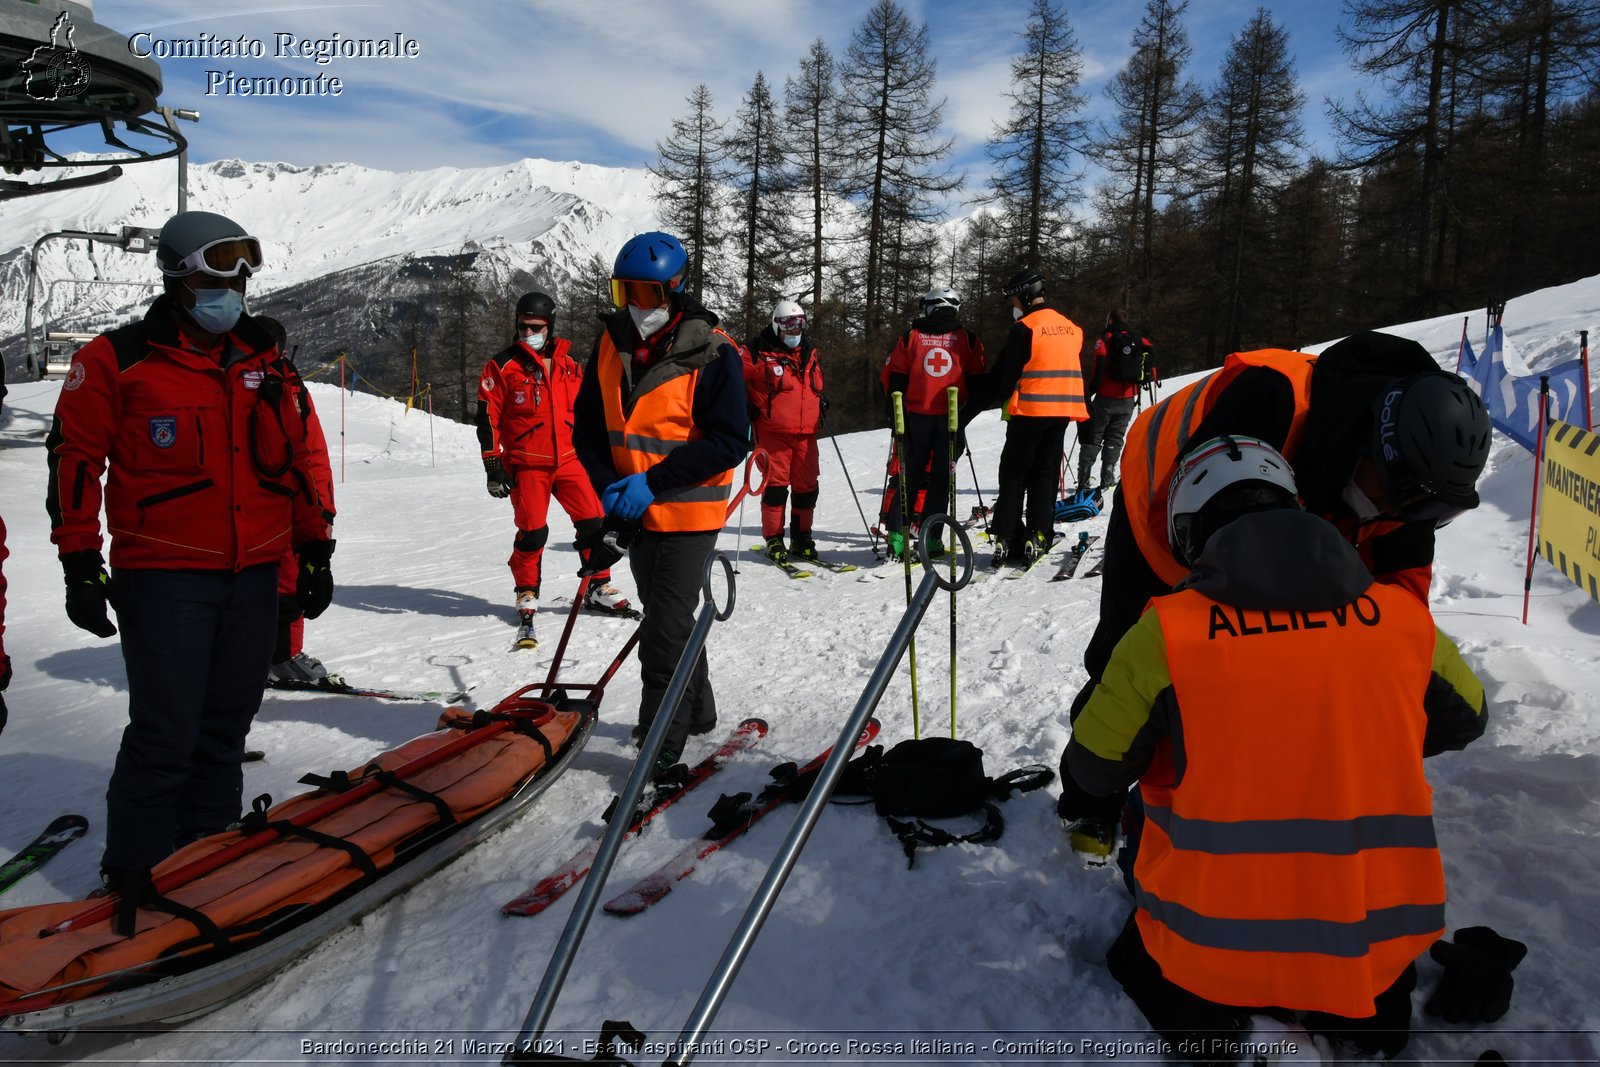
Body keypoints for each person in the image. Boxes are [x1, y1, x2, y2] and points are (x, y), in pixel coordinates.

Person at [1057, 435, 1488, 1062]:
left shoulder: (1168, 635)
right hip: (1371, 960)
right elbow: (1465, 720)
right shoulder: (1400, 617)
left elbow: (1092, 771)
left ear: (1189, 533)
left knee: (1139, 934)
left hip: (1208, 958)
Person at [45, 210, 336, 899]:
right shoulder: (117, 360)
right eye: (216, 271)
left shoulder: (267, 363)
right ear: (179, 274)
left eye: (240, 271)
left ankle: (209, 854)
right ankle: (135, 872)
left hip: (252, 574)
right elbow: (75, 463)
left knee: (226, 726)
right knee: (165, 732)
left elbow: (301, 465)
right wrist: (81, 563)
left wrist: (313, 552)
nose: (232, 285)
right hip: (165, 576)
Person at [1075, 331, 1493, 726]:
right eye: (1397, 497)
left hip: (1260, 509)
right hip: (1159, 497)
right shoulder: (1268, 400)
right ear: (1367, 448)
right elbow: (1227, 581)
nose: (1399, 516)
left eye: (1433, 510)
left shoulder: (1407, 488)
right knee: (1127, 661)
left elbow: (1401, 611)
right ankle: (1089, 792)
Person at [572, 232, 748, 776]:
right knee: (669, 618)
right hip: (634, 508)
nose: (634, 305)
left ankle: (661, 740)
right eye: (625, 291)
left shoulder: (714, 351)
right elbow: (588, 429)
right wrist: (610, 485)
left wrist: (654, 481)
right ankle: (697, 710)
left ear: (675, 290)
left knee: (664, 629)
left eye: (646, 294)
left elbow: (729, 441)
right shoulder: (610, 341)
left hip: (688, 509)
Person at [478, 291, 632, 649]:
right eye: (522, 326)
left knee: (595, 524)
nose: (527, 332)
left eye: (535, 327)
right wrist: (492, 462)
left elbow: (588, 409)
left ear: (550, 327)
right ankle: (527, 590)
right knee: (533, 533)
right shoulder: (502, 366)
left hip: (569, 458)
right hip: (527, 463)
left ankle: (598, 586)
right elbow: (487, 417)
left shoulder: (568, 364)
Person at [254, 316, 339, 685]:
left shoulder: (292, 387)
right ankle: (270, 656)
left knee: (292, 579)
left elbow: (312, 451)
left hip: (292, 502)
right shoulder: (242, 383)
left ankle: (282, 653)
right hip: (253, 503)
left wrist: (323, 508)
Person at [984, 268, 1088, 566]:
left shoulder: (1025, 329)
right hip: (1060, 415)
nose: (1013, 307)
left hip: (1028, 412)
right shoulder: (1072, 328)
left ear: (1027, 297)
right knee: (1045, 474)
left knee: (1014, 473)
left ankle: (1007, 536)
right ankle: (1039, 534)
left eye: (1015, 300)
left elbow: (1006, 380)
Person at [880, 287, 986, 560]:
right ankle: (932, 540)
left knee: (909, 477)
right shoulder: (968, 340)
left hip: (914, 419)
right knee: (941, 481)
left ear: (929, 307)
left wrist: (895, 418)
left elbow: (893, 380)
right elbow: (979, 384)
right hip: (950, 421)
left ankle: (896, 538)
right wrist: (964, 418)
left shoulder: (911, 337)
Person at [743, 298, 826, 564]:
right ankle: (774, 537)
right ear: (776, 325)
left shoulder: (808, 353)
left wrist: (820, 400)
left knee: (807, 488)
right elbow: (731, 377)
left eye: (799, 326)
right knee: (776, 487)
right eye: (789, 326)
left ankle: (802, 537)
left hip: (806, 433)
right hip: (773, 433)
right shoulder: (758, 351)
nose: (794, 332)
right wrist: (745, 405)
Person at [1077, 308, 1154, 493]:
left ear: (1110, 320)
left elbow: (1099, 367)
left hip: (1105, 397)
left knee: (1094, 436)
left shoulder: (1105, 339)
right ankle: (1108, 476)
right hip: (1128, 397)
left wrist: (1090, 392)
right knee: (1115, 437)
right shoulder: (1137, 339)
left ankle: (1084, 479)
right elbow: (1151, 351)